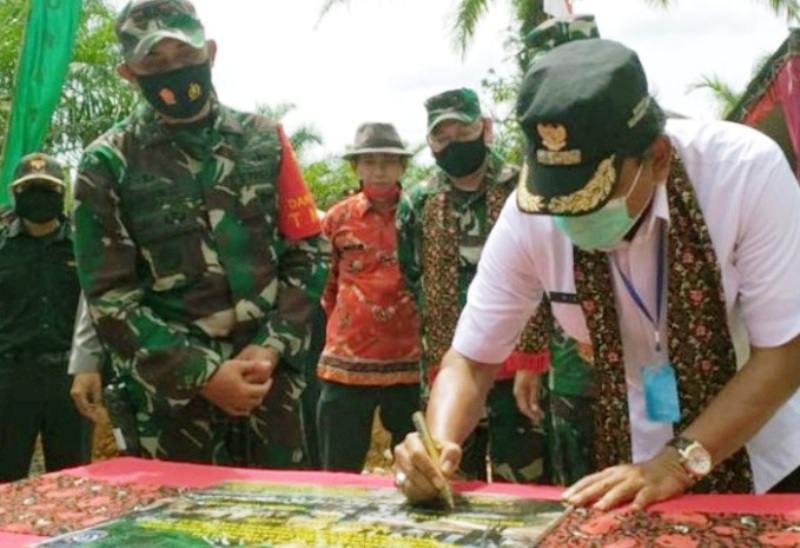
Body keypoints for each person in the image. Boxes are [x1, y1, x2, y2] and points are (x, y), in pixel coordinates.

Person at [394, 39, 800, 510]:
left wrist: (677, 462)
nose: (572, 217)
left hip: (764, 455)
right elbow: (471, 360)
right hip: (634, 464)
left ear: (659, 157)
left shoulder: (742, 173)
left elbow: (786, 351)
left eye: (594, 196)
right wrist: (437, 444)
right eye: (560, 200)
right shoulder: (530, 213)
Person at [72, 0, 329, 467]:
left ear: (210, 53)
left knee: (275, 531)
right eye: (155, 62)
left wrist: (269, 347)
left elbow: (309, 251)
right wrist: (204, 375)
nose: (173, 71)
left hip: (269, 389)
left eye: (184, 56)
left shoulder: (265, 139)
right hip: (172, 406)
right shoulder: (106, 164)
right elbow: (108, 296)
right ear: (129, 73)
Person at [395, 89, 549, 484]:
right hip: (450, 366)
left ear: (485, 128)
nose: (453, 143)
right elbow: (413, 276)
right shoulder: (419, 202)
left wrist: (532, 359)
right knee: (449, 477)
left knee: (523, 482)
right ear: (430, 142)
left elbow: (547, 276)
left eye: (462, 131)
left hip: (521, 367)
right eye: (441, 136)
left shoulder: (526, 189)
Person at [317, 123, 422, 473]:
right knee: (337, 473)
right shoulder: (338, 218)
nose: (379, 171)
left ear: (401, 167)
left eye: (389, 162)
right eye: (370, 162)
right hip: (346, 364)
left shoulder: (420, 213)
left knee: (417, 472)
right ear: (356, 167)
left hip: (409, 361)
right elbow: (326, 284)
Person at [0, 153, 91, 482]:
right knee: (5, 482)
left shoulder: (84, 246)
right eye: (30, 189)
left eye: (46, 188)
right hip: (10, 378)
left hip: (69, 380)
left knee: (72, 482)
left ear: (61, 193)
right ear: (16, 195)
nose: (38, 196)